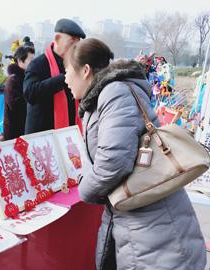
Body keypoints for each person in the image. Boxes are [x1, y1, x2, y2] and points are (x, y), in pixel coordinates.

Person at [64, 38, 206, 269]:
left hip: (153, 226)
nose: (66, 79)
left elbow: (113, 162)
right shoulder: (106, 94)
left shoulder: (113, 93)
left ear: (85, 70)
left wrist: (84, 189)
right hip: (141, 218)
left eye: (67, 70)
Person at [23, 18, 85, 134]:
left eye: (77, 44)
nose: (74, 48)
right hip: (42, 135)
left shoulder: (76, 64)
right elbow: (30, 93)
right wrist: (64, 78)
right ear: (57, 39)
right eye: (72, 42)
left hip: (68, 133)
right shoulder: (38, 63)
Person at [4, 46, 35, 140]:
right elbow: (17, 107)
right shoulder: (13, 80)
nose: (34, 63)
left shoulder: (27, 78)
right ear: (20, 61)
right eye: (31, 60)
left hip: (25, 130)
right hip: (15, 134)